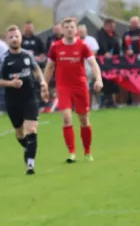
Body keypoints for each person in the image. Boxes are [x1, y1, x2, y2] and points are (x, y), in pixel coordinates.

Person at [43, 17, 103, 163]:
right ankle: (72, 153)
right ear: (62, 30)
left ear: (76, 30)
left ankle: (87, 152)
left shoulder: (82, 45)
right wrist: (44, 84)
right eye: (67, 27)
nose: (70, 30)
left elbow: (93, 64)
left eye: (72, 27)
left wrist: (98, 79)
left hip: (80, 86)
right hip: (63, 87)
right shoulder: (56, 47)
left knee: (83, 119)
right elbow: (50, 67)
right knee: (66, 117)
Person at [0, 25, 49, 175]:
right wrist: (11, 83)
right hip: (12, 101)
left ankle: (30, 164)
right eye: (11, 37)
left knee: (31, 129)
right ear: (7, 40)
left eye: (16, 36)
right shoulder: (3, 59)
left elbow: (36, 69)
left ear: (21, 38)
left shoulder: (27, 55)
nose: (14, 39)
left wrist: (42, 82)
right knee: (20, 133)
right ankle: (28, 147)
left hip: (29, 97)